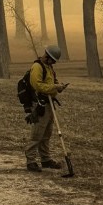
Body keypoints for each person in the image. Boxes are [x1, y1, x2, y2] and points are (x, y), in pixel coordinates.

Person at [25, 44, 68, 173]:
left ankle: (45, 159)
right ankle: (31, 161)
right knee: (37, 134)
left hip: (49, 104)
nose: (54, 63)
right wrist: (55, 88)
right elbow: (38, 86)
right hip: (40, 104)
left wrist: (58, 86)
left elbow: (50, 83)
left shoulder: (49, 67)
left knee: (46, 134)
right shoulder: (37, 67)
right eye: (53, 60)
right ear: (48, 57)